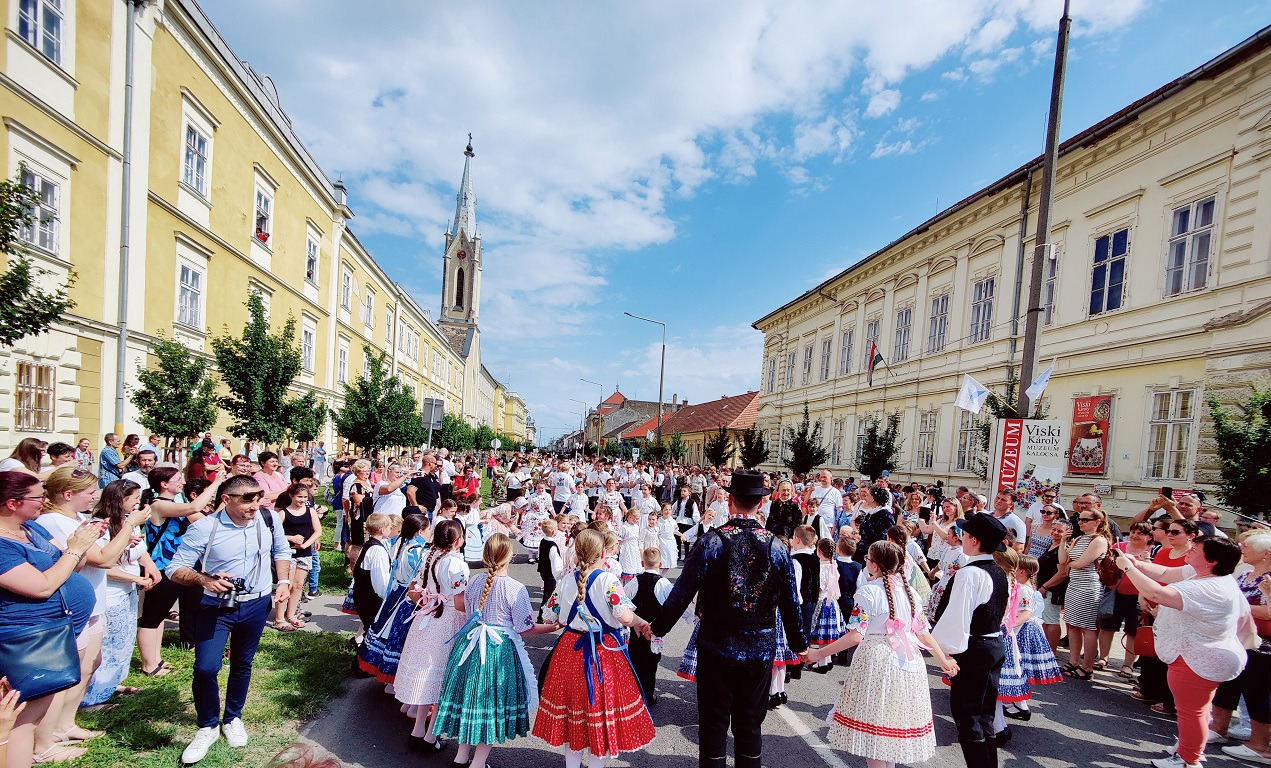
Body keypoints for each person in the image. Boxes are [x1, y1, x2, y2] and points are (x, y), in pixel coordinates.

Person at [650, 469, 807, 768]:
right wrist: (800, 644)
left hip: (717, 646)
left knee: (714, 722)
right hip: (758, 649)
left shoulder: (713, 542)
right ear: (760, 504)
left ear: (731, 502)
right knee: (749, 724)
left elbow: (681, 593)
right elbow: (791, 602)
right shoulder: (776, 547)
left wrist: (656, 628)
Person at [164, 474, 293, 765]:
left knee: (242, 663)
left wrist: (283, 581)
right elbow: (174, 568)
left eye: (258, 496)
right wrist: (204, 579)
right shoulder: (206, 528)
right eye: (247, 498)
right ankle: (207, 725)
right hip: (216, 606)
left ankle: (233, 718)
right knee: (206, 667)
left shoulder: (268, 519)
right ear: (226, 499)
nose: (255, 504)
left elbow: (282, 550)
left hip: (257, 604)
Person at [807, 540, 959, 768]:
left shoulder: (869, 593)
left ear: (875, 566)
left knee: (875, 736)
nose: (866, 561)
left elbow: (856, 635)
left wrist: (819, 654)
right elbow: (925, 634)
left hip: (877, 661)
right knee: (888, 734)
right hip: (909, 663)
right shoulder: (911, 595)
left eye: (868, 558)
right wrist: (943, 660)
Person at [34, 467, 151, 757]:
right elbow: (101, 559)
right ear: (68, 494)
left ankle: (65, 724)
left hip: (92, 601)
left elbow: (103, 550)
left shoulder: (76, 518)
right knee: (67, 673)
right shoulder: (52, 521)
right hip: (70, 606)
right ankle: (44, 741)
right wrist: (129, 527)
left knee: (89, 665)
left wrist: (125, 539)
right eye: (89, 493)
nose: (94, 497)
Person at [1116, 536, 1252, 768]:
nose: (1189, 551)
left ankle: (1188, 760)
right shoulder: (1207, 575)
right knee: (1196, 710)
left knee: (1192, 712)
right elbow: (1165, 574)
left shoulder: (1207, 587)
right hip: (1201, 655)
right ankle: (1188, 749)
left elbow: (1157, 594)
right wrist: (1137, 564)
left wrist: (1127, 567)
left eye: (1196, 549)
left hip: (1198, 658)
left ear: (1211, 560)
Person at [0, 471, 104, 767]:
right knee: (20, 719)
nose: (44, 501)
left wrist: (80, 544)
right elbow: (42, 586)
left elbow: (70, 564)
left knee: (32, 715)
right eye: (37, 497)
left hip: (54, 631)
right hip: (26, 639)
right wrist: (73, 550)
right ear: (12, 503)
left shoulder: (32, 529)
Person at [432, 534, 558, 768]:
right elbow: (524, 627)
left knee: (471, 701)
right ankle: (477, 764)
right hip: (497, 650)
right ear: (509, 556)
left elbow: (467, 610)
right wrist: (553, 626)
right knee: (490, 707)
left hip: (470, 646)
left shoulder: (475, 581)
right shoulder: (515, 588)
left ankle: (460, 759)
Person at [535, 529, 655, 765]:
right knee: (598, 714)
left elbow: (551, 617)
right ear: (602, 552)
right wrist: (641, 623)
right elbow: (624, 616)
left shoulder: (566, 580)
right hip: (602, 652)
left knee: (573, 715)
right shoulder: (608, 580)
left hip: (570, 651)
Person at [931, 511, 1011, 768]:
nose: (962, 538)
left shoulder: (969, 574)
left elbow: (958, 618)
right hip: (993, 646)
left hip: (975, 649)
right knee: (983, 716)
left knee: (968, 717)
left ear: (974, 540)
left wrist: (944, 653)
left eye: (964, 535)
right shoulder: (998, 571)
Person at [137, 468, 222, 676]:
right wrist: (216, 483)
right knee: (151, 617)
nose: (182, 482)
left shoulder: (175, 505)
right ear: (164, 484)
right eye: (177, 479)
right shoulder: (159, 504)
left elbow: (206, 521)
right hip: (160, 567)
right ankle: (148, 665)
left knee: (158, 617)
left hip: (174, 567)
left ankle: (156, 659)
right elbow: (194, 506)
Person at [83, 479, 160, 708]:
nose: (138, 502)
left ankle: (111, 684)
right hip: (111, 594)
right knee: (106, 644)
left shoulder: (129, 522)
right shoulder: (100, 526)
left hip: (128, 592)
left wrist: (151, 566)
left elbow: (139, 551)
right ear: (120, 500)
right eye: (134, 498)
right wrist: (135, 578)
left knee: (123, 642)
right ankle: (92, 697)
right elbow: (102, 565)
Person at [395, 519, 469, 752]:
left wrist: (430, 600)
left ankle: (418, 730)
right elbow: (459, 602)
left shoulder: (428, 558)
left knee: (428, 677)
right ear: (458, 540)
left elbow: (414, 594)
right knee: (441, 679)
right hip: (447, 622)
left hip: (425, 619)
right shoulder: (457, 564)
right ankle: (430, 736)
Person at [358, 514, 429, 685]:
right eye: (428, 529)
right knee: (400, 638)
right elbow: (418, 578)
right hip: (407, 597)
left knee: (388, 633)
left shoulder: (401, 544)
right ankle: (397, 681)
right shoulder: (417, 551)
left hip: (395, 595)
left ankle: (388, 679)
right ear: (420, 531)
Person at [1058, 505, 1113, 679]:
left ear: (1097, 522)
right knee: (1072, 625)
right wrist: (1062, 542)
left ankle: (1087, 666)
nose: (1080, 523)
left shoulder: (1098, 540)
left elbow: (1080, 563)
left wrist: (1071, 563)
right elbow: (1062, 561)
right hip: (1074, 585)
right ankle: (1073, 661)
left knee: (1087, 627)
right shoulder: (1079, 539)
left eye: (1085, 520)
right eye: (1079, 519)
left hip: (1088, 587)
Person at [1101, 521, 1154, 678]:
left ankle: (1128, 664)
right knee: (1107, 626)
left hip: (1139, 596)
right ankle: (1103, 658)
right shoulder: (1120, 546)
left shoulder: (1152, 551)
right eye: (1133, 531)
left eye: (1140, 533)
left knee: (1133, 631)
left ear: (1149, 537)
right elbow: (1107, 566)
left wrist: (1147, 562)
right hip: (1115, 592)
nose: (1135, 535)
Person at [625, 547, 672, 707]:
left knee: (635, 662)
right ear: (660, 563)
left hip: (635, 629)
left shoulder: (634, 581)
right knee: (651, 665)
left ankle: (634, 694)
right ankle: (648, 695)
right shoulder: (664, 583)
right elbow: (672, 605)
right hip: (654, 631)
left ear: (642, 563)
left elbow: (624, 601)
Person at [275, 483, 321, 631]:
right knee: (286, 585)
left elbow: (317, 531)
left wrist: (306, 544)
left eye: (305, 497)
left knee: (298, 585)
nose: (302, 500)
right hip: (288, 553)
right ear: (291, 496)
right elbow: (275, 533)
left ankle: (292, 614)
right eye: (299, 497)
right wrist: (291, 538)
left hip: (304, 552)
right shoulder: (283, 513)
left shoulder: (310, 512)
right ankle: (279, 618)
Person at [853, 486, 896, 565]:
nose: (866, 497)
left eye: (868, 495)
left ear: (873, 498)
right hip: (862, 552)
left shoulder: (885, 515)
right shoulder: (871, 513)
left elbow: (885, 538)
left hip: (874, 554)